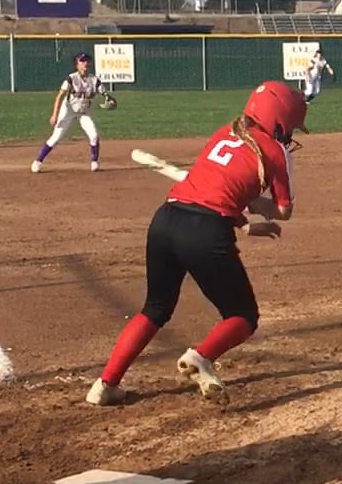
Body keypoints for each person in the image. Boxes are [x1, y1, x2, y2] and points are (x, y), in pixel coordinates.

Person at [86, 80, 306, 407]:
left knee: (155, 309)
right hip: (205, 231)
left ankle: (105, 384)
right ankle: (200, 358)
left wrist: (245, 221)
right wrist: (256, 205)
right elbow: (284, 210)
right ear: (279, 120)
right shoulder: (274, 151)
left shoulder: (224, 133)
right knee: (243, 315)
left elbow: (210, 194)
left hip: (166, 220)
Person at [32, 52, 113, 173]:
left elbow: (106, 95)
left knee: (94, 136)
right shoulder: (71, 79)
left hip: (83, 112)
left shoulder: (95, 80)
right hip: (68, 110)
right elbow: (59, 97)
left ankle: (94, 162)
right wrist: (54, 115)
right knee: (56, 137)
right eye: (82, 61)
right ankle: (38, 161)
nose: (85, 63)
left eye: (87, 61)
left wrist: (109, 100)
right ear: (77, 65)